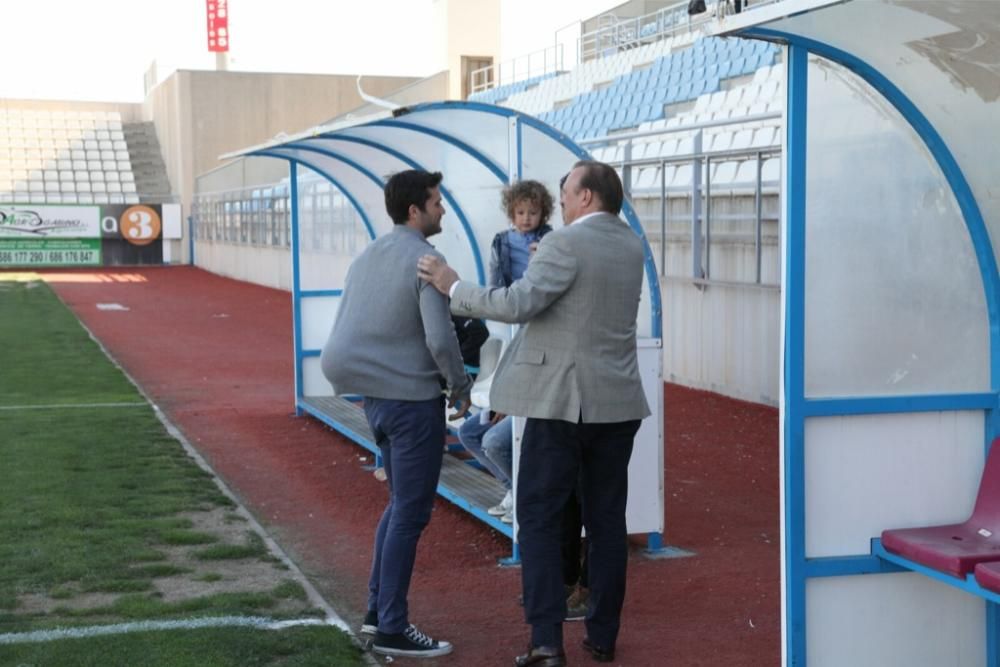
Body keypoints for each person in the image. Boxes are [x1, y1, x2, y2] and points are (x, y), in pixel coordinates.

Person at [418, 161, 650, 666]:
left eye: (566, 192)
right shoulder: (632, 244)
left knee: (540, 517)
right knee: (607, 521)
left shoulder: (566, 244)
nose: (561, 202)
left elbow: (517, 303)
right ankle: (602, 636)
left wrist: (452, 286)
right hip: (618, 403)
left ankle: (546, 641)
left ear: (586, 197)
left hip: (560, 403)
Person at [321, 169, 472, 659]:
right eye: (436, 201)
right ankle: (391, 626)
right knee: (411, 512)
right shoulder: (428, 259)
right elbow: (439, 335)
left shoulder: (370, 253)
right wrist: (461, 386)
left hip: (374, 398)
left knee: (399, 507)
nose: (443, 209)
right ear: (415, 211)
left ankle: (376, 612)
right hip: (410, 401)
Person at [459, 179, 555, 523]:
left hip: (537, 374)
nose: (527, 219)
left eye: (533, 212)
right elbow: (497, 290)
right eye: (520, 213)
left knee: (495, 440)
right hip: (517, 325)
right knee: (472, 432)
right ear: (511, 215)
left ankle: (522, 493)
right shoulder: (502, 242)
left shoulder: (551, 243)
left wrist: (542, 261)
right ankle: (514, 488)